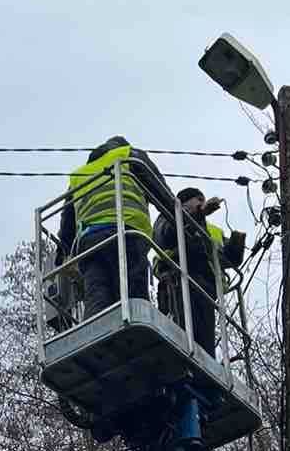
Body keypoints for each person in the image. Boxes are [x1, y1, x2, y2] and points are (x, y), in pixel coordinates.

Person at [57, 136, 175, 320]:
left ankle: (95, 335)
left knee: (97, 298)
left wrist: (61, 255)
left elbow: (67, 222)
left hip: (91, 244)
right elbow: (161, 193)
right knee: (133, 297)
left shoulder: (79, 175)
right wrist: (182, 222)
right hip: (127, 235)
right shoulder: (129, 155)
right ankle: (137, 330)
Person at [153, 187, 246, 358]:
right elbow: (166, 236)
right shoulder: (169, 213)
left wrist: (236, 243)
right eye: (198, 200)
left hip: (206, 290)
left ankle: (201, 378)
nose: (203, 203)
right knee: (183, 337)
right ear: (184, 202)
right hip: (178, 282)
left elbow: (227, 260)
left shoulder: (210, 230)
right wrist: (198, 214)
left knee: (205, 349)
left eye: (203, 200)